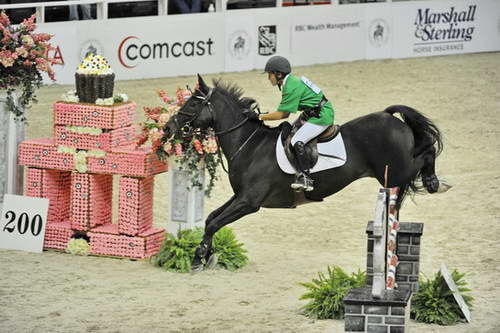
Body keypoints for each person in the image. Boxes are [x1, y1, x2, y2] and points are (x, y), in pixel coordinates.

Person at [259, 55, 335, 192]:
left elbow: (283, 114)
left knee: (296, 141)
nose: (268, 78)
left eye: (269, 74)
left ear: (278, 74)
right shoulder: (291, 82)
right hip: (310, 113)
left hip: (322, 116)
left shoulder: (291, 86)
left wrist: (259, 116)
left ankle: (305, 178)